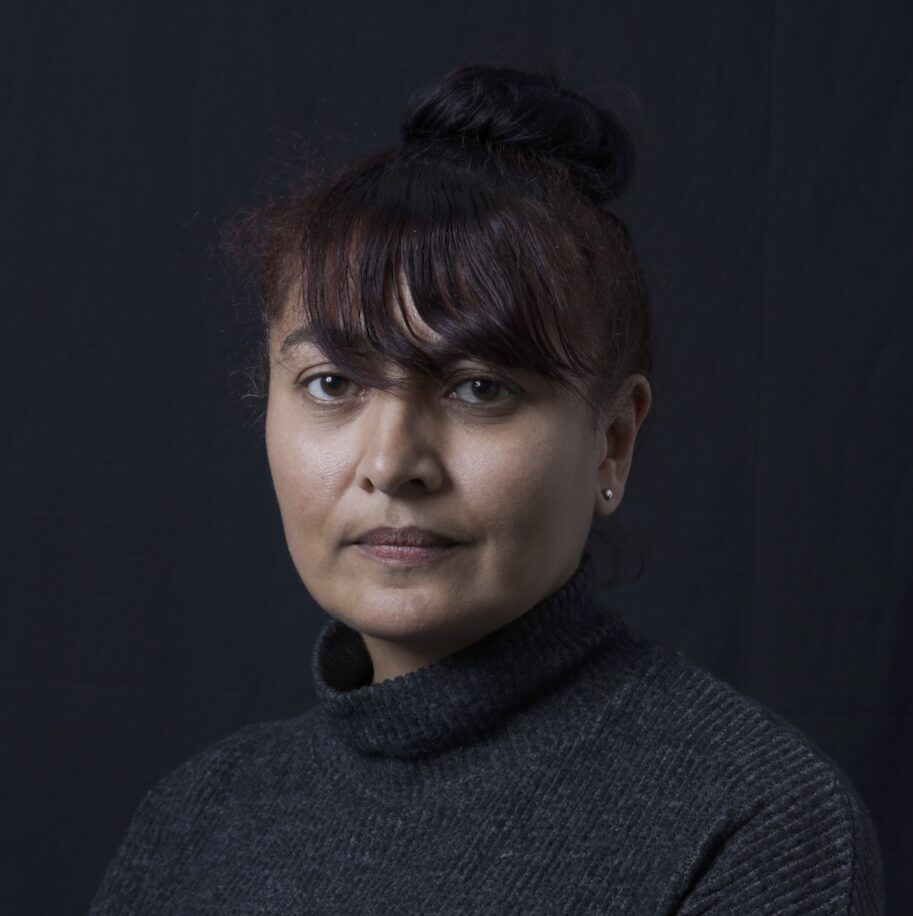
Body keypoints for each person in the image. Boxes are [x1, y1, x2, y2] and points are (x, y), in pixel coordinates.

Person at [89, 63, 885, 914]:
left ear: (612, 441)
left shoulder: (754, 823)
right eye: (332, 383)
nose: (392, 463)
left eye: (478, 387)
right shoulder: (196, 817)